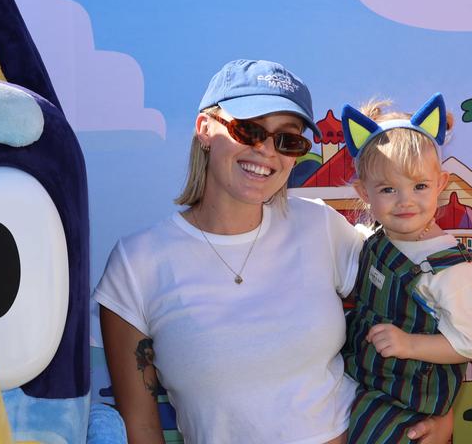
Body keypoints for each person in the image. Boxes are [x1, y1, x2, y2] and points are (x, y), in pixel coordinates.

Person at [95, 60, 453, 444]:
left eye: (288, 140)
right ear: (204, 130)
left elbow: (423, 300)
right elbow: (141, 426)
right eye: (249, 130)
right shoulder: (138, 263)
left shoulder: (319, 225)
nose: (267, 151)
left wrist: (441, 416)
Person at [339, 95, 472, 444]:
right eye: (387, 189)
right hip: (365, 381)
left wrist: (409, 344)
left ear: (441, 184)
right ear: (362, 191)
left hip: (411, 404)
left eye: (420, 186)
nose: (405, 200)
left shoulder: (456, 272)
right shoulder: (371, 242)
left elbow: (471, 345)